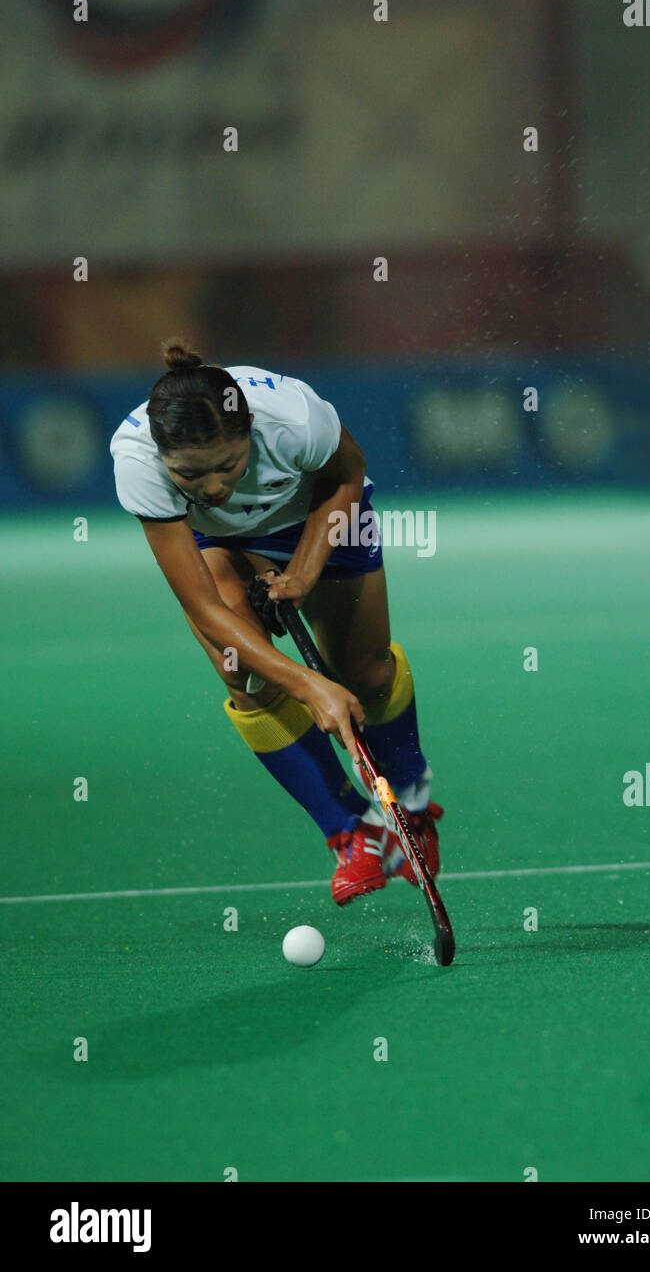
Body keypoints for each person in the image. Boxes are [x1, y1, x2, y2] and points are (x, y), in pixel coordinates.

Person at [109, 340, 443, 905]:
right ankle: (352, 831)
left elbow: (348, 475)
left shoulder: (293, 419)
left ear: (251, 435)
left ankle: (411, 802)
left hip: (314, 511)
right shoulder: (137, 461)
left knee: (363, 672)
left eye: (228, 465)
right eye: (190, 474)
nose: (214, 487)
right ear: (163, 456)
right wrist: (310, 685)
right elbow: (204, 609)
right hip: (215, 539)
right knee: (244, 674)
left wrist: (305, 573)